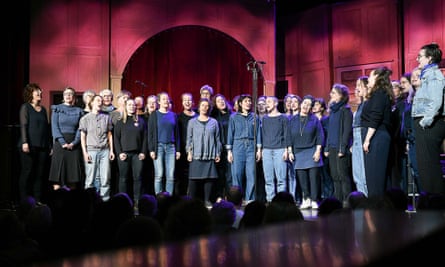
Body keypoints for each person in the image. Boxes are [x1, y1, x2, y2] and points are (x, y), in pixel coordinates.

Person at [412, 43, 445, 195]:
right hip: (424, 124)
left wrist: (425, 121)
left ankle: (435, 204)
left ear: (430, 58)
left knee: (429, 166)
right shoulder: (427, 75)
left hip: (429, 125)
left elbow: (436, 101)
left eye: (420, 56)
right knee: (425, 166)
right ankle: (432, 202)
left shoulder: (434, 75)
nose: (417, 59)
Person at [361, 66, 394, 198]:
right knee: (373, 176)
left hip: (377, 136)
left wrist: (367, 139)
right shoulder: (376, 94)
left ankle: (377, 208)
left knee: (375, 176)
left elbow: (376, 117)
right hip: (376, 136)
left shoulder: (380, 94)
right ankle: (379, 207)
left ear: (377, 77)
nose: (368, 78)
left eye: (370, 76)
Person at [289, 95, 324, 209]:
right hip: (298, 151)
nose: (306, 106)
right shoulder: (292, 119)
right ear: (301, 104)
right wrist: (290, 151)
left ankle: (314, 200)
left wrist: (318, 151)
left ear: (311, 108)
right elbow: (288, 136)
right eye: (304, 103)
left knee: (313, 178)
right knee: (302, 178)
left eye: (309, 105)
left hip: (312, 150)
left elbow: (320, 136)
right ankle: (306, 198)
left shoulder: (314, 120)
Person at [18, 83, 51, 204]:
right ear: (30, 93)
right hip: (29, 145)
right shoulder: (25, 107)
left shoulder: (43, 110)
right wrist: (25, 142)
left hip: (42, 146)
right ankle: (24, 200)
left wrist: (49, 145)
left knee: (39, 174)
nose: (40, 93)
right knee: (27, 172)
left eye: (40, 91)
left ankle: (37, 200)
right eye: (37, 91)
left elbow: (46, 129)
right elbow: (23, 125)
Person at [186, 98, 221, 208]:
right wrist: (189, 152)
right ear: (199, 107)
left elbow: (217, 139)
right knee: (193, 179)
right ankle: (192, 202)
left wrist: (218, 153)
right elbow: (189, 138)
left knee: (209, 178)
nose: (205, 108)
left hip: (210, 155)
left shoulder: (214, 122)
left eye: (207, 106)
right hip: (196, 154)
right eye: (203, 105)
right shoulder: (192, 122)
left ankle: (207, 200)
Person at [227, 94, 262, 203]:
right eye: (246, 101)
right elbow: (230, 134)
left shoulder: (255, 117)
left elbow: (258, 134)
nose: (249, 103)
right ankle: (237, 198)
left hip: (251, 145)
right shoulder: (233, 117)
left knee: (251, 173)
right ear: (241, 103)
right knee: (237, 174)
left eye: (250, 101)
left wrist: (259, 149)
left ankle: (249, 198)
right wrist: (229, 151)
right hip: (238, 146)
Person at [79, 94, 115, 201]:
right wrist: (85, 153)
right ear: (92, 103)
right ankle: (88, 201)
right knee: (90, 179)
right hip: (91, 150)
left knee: (105, 178)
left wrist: (111, 150)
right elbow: (82, 137)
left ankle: (105, 201)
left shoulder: (106, 117)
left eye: (101, 100)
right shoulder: (85, 118)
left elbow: (109, 135)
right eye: (97, 100)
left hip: (105, 150)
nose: (100, 102)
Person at [49, 87, 85, 191]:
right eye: (66, 94)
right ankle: (56, 201)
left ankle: (71, 203)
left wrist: (74, 142)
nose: (68, 95)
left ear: (74, 97)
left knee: (72, 178)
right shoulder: (57, 108)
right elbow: (54, 127)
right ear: (63, 96)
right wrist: (62, 142)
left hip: (74, 144)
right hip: (60, 144)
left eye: (70, 94)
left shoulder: (79, 111)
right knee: (57, 178)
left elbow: (80, 128)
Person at [114, 98, 147, 205]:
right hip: (124, 154)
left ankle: (137, 202)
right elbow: (116, 138)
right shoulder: (120, 121)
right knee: (123, 178)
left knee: (138, 178)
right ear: (125, 106)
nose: (132, 107)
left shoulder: (141, 121)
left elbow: (145, 138)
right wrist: (120, 153)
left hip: (137, 155)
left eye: (133, 105)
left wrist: (143, 152)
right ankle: (123, 202)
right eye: (129, 105)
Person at [324, 83, 353, 206]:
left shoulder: (345, 110)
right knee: (335, 175)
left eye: (334, 93)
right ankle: (338, 200)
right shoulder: (332, 111)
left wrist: (343, 147)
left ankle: (347, 200)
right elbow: (330, 130)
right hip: (332, 147)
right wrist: (326, 147)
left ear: (341, 96)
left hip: (341, 148)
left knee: (343, 175)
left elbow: (346, 131)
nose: (331, 95)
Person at [148, 92, 181, 195]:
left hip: (171, 147)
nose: (166, 101)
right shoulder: (154, 114)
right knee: (159, 174)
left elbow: (177, 133)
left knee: (170, 175)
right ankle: (159, 197)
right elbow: (151, 133)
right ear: (159, 102)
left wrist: (178, 150)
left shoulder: (173, 115)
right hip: (159, 146)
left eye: (167, 99)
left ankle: (168, 198)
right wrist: (151, 149)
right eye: (163, 99)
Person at [260, 96, 290, 203]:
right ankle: (270, 200)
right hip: (267, 150)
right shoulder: (264, 118)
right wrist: (261, 150)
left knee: (281, 178)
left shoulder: (283, 118)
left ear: (276, 103)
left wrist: (286, 150)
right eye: (265, 102)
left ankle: (281, 200)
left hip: (280, 149)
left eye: (269, 102)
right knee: (268, 179)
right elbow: (262, 135)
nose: (266, 104)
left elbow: (287, 134)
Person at [210, 93, 234, 200]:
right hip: (219, 149)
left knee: (230, 174)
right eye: (219, 101)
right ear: (215, 104)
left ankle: (229, 196)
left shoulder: (232, 115)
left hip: (230, 148)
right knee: (219, 174)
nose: (222, 102)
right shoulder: (213, 116)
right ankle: (219, 195)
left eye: (223, 99)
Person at [176, 92, 197, 197]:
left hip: (196, 150)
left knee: (194, 175)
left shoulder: (197, 116)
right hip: (183, 150)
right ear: (182, 102)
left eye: (189, 100)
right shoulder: (178, 117)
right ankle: (182, 197)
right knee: (182, 176)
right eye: (185, 100)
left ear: (193, 102)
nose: (187, 102)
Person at [351, 76, 369, 196]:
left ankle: (366, 197)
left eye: (359, 85)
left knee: (363, 171)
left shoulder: (369, 103)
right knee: (356, 172)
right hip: (356, 137)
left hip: (363, 135)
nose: (356, 89)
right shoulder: (361, 104)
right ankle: (360, 197)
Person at [312, 97, 333, 199]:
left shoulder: (326, 119)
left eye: (316, 105)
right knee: (317, 174)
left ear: (321, 107)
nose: (314, 107)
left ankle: (328, 195)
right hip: (314, 150)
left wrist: (327, 148)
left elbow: (328, 135)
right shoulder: (311, 120)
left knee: (326, 173)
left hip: (324, 150)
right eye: (314, 105)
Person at [141, 94, 158, 195]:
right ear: (146, 104)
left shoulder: (159, 117)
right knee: (145, 174)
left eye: (154, 102)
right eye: (150, 102)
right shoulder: (142, 118)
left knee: (156, 174)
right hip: (144, 149)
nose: (152, 104)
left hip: (156, 149)